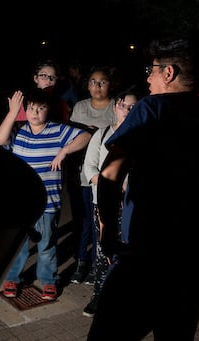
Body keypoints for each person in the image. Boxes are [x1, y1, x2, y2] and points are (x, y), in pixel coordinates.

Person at [87, 36, 199, 340]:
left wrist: (107, 229)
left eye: (152, 69)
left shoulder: (153, 108)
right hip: (192, 261)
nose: (147, 77)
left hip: (145, 258)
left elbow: (110, 173)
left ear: (169, 73)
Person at [0, 87, 91, 300]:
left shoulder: (57, 130)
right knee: (18, 245)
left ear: (49, 110)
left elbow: (85, 136)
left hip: (49, 201)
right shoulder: (18, 130)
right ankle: (13, 278)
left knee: (46, 244)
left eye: (41, 108)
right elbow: (0, 141)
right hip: (21, 202)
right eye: (30, 108)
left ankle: (48, 280)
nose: (35, 113)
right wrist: (12, 112)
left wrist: (64, 151)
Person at [81, 89, 139, 317]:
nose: (128, 111)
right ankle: (99, 295)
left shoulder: (141, 138)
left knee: (126, 254)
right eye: (124, 105)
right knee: (103, 250)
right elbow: (89, 169)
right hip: (103, 204)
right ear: (116, 106)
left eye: (134, 107)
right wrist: (110, 184)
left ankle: (124, 299)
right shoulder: (103, 134)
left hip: (130, 207)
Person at [68, 65, 121, 285]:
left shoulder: (116, 108)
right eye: (93, 81)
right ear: (87, 85)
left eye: (102, 81)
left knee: (100, 222)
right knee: (82, 220)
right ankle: (80, 261)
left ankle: (95, 263)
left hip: (105, 177)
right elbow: (70, 138)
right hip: (80, 174)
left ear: (110, 84)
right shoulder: (79, 108)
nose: (97, 86)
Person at [14, 59, 70, 124]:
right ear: (36, 78)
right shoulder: (25, 100)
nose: (49, 80)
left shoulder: (61, 103)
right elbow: (19, 126)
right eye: (44, 75)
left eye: (53, 77)